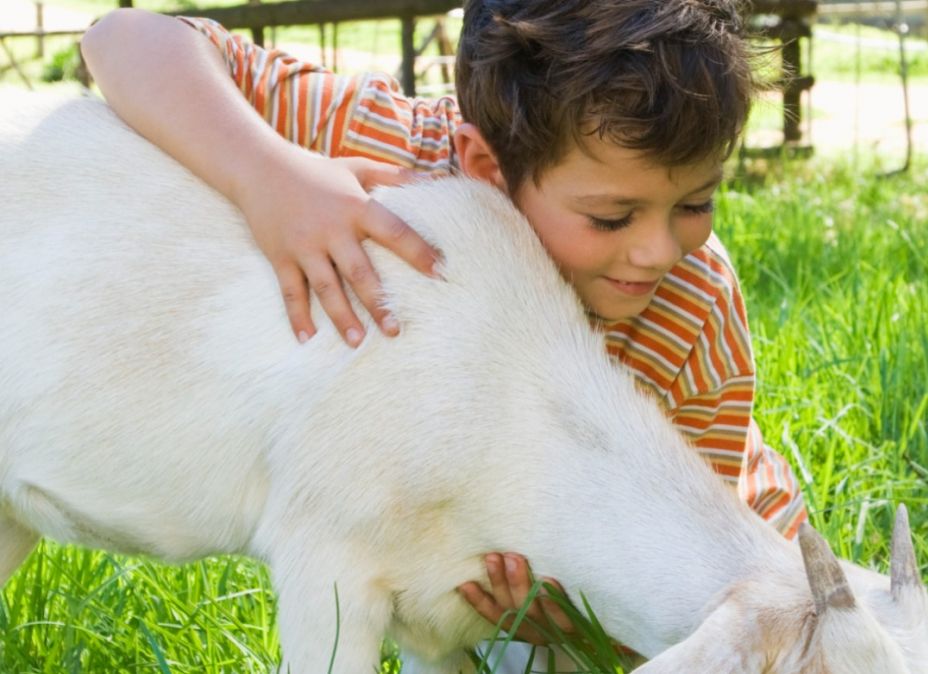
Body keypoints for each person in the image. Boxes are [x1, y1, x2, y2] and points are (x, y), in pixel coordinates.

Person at [81, 0, 807, 667]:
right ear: (486, 166)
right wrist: (270, 179)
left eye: (697, 202)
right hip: (434, 536)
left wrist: (561, 620)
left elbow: (695, 565)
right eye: (611, 218)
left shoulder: (692, 301)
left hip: (606, 584)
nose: (656, 250)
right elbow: (121, 40)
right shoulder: (402, 151)